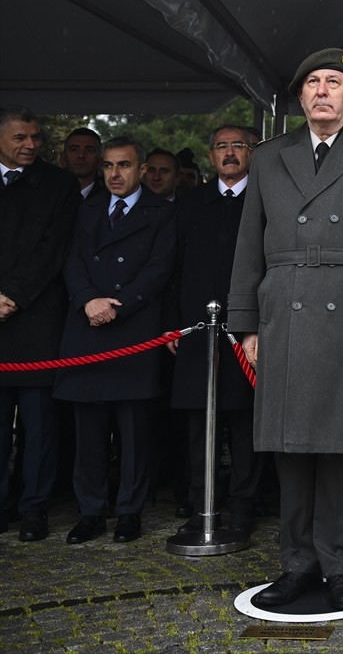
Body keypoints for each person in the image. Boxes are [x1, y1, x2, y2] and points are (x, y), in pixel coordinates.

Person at [227, 48, 343, 610]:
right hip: (284, 309)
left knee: (342, 448)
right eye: (312, 82)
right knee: (291, 449)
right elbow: (247, 247)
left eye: (333, 82)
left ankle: (339, 564)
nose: (322, 91)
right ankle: (297, 562)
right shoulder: (269, 157)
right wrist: (246, 323)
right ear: (301, 96)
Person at [55, 137, 177, 544]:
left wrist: (117, 306)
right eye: (107, 166)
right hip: (86, 325)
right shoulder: (84, 208)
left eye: (123, 165)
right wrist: (87, 300)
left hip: (133, 329)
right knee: (88, 430)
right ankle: (90, 511)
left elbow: (160, 268)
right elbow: (70, 260)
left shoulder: (162, 212)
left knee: (134, 432)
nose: (114, 174)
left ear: (141, 169)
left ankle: (129, 511)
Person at [168, 125, 260, 533]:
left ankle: (243, 506)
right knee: (198, 425)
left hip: (247, 331)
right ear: (210, 156)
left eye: (238, 145)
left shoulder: (264, 202)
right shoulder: (189, 203)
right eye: (221, 146)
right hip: (195, 329)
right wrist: (172, 325)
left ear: (252, 153)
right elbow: (172, 268)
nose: (229, 153)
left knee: (244, 424)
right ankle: (200, 503)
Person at [0, 106, 80, 541]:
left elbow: (53, 250)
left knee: (39, 427)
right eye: (19, 137)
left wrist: (12, 295)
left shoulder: (59, 184)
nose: (30, 145)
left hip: (37, 322)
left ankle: (35, 508)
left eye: (34, 137)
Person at [60, 127, 105, 198]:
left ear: (100, 161)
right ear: (63, 159)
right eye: (74, 149)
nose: (81, 155)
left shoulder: (109, 199)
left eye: (89, 150)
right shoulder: (48, 194)